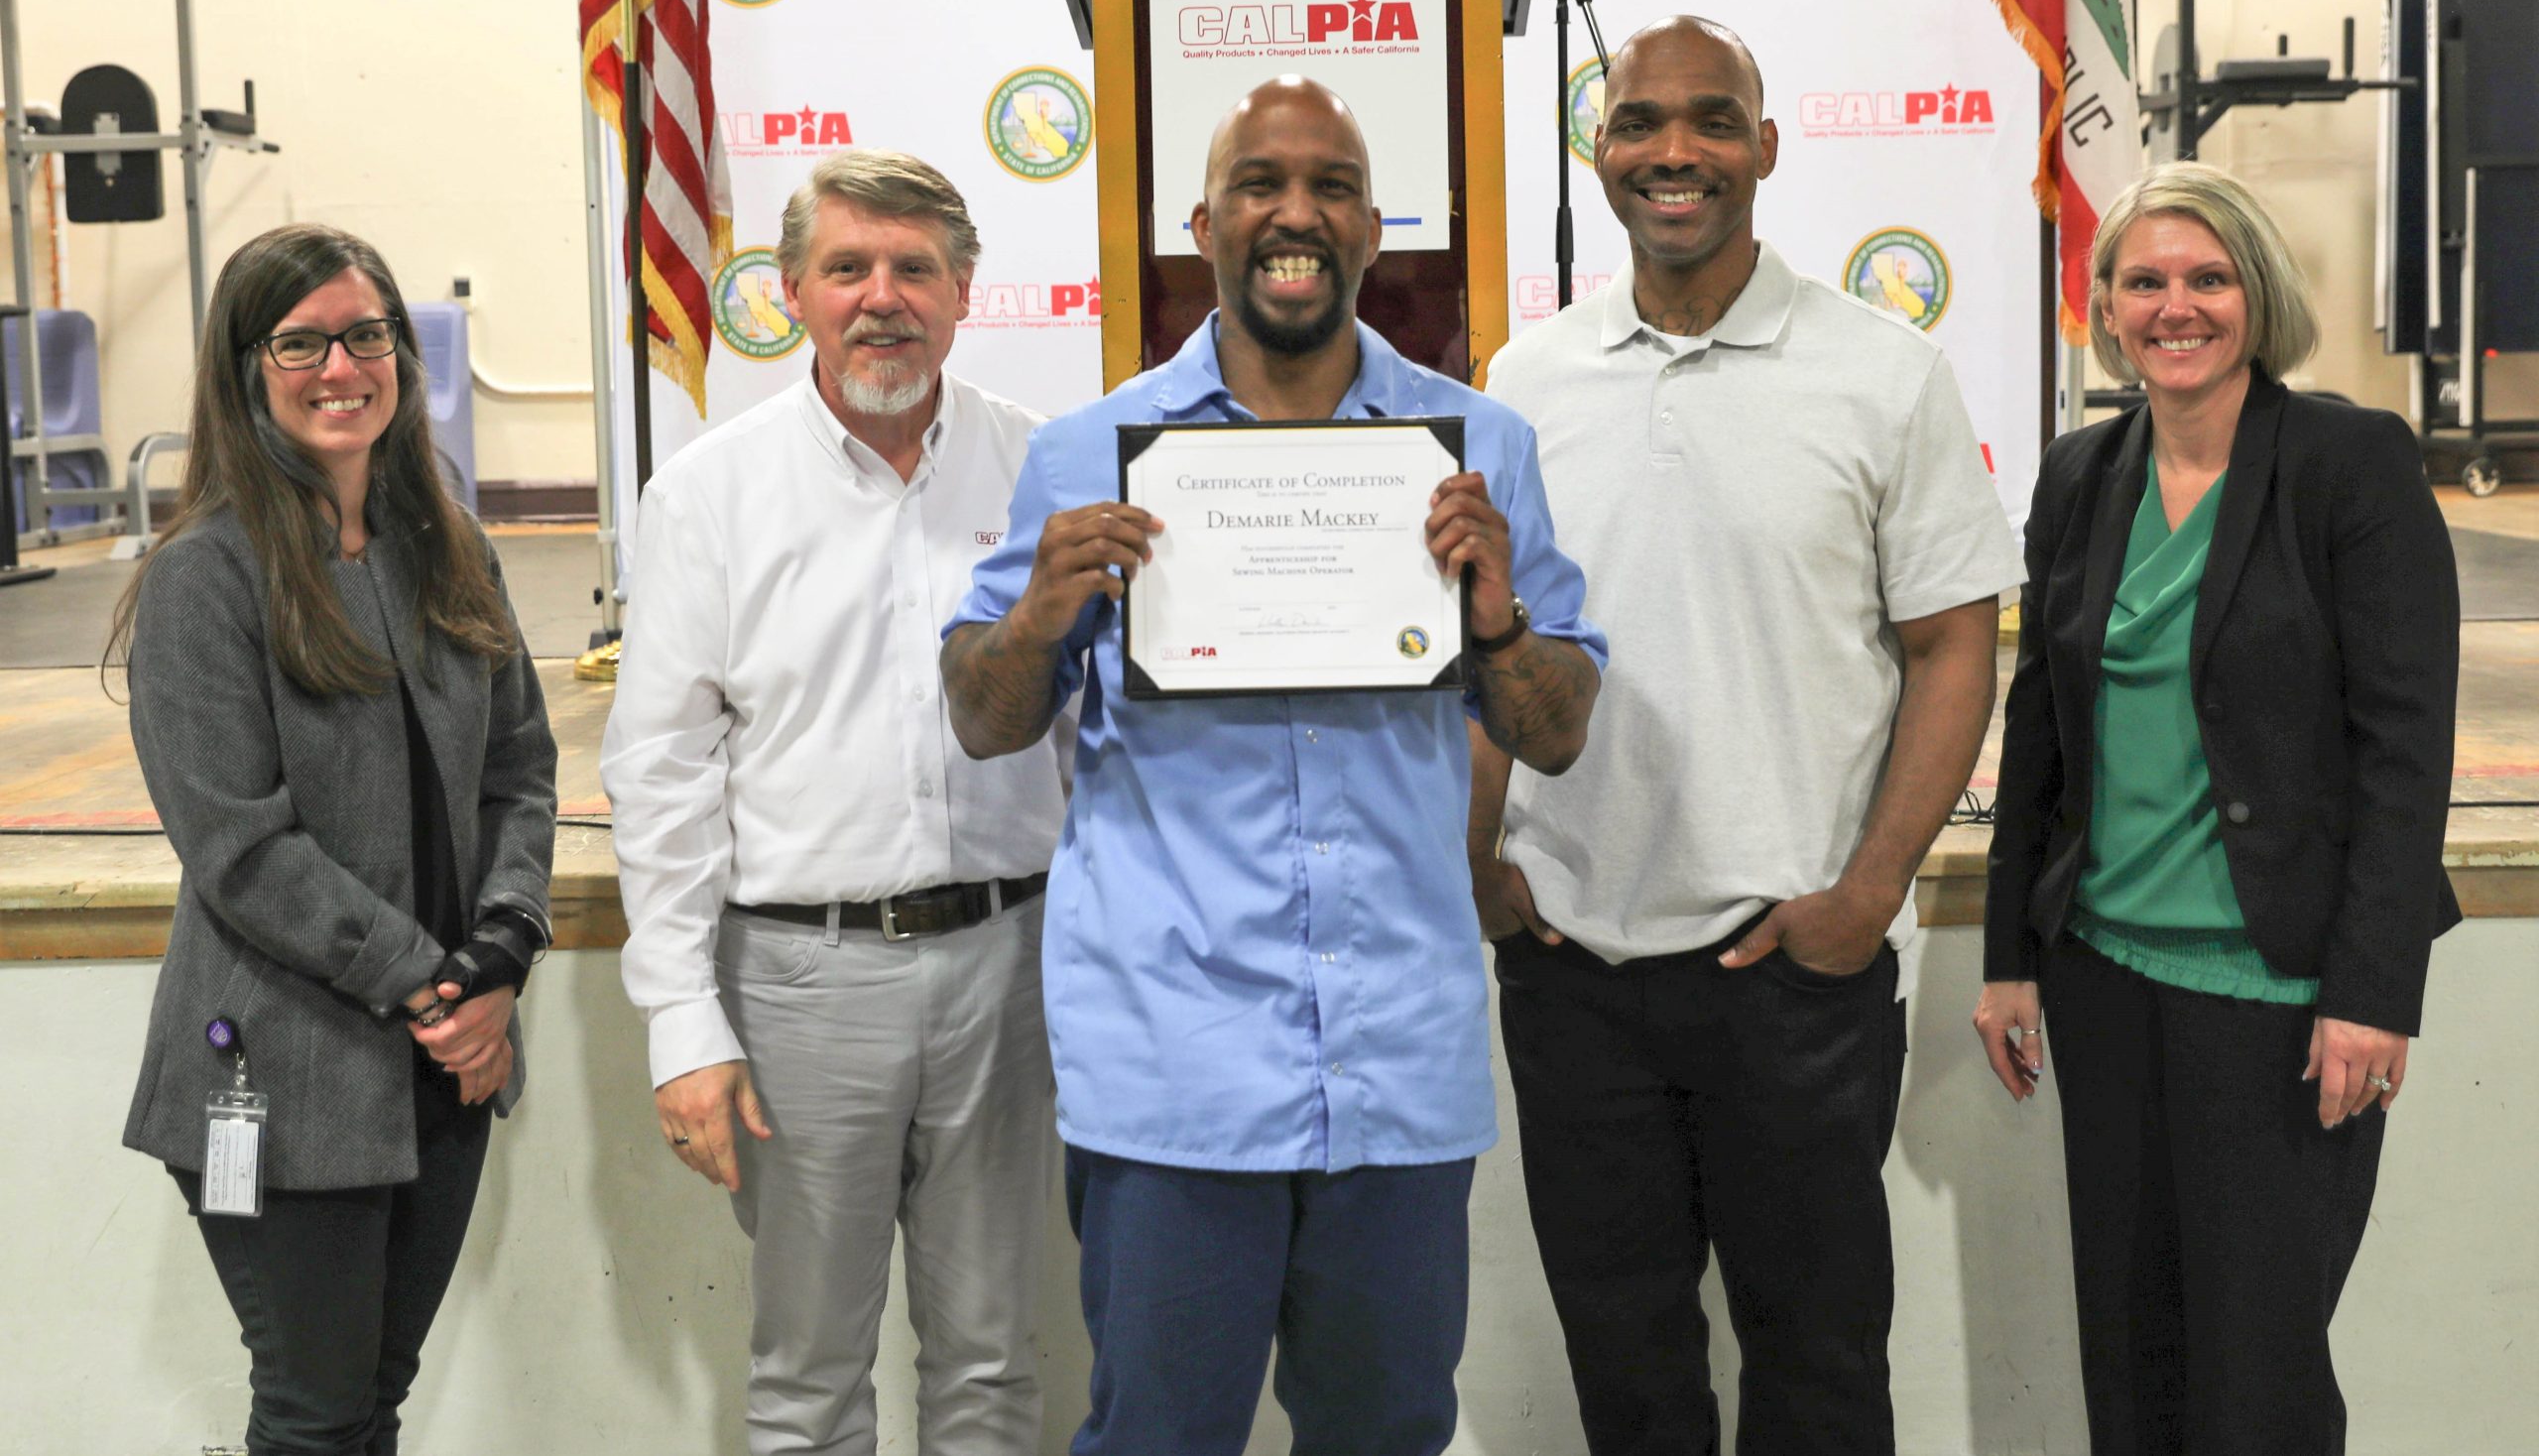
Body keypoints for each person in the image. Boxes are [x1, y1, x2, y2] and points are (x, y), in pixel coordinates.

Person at [941, 75, 1606, 1456]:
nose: (1293, 212)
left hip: (1394, 1070)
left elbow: (1557, 724)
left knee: (1387, 1434)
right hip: (1175, 1069)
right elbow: (986, 716)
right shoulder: (1089, 455)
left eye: (1331, 187)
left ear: (1374, 228)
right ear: (1204, 222)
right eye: (1259, 183)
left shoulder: (1476, 450)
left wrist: (1496, 620)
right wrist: (1039, 609)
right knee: (1158, 1436)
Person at [1472, 15, 2022, 1455]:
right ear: (1601, 153)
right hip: (1575, 963)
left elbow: (1954, 641)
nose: (1675, 153)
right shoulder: (1521, 383)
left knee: (1820, 1365)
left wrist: (1870, 891)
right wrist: (1480, 861)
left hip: (1799, 967)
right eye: (1640, 123)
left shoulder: (1882, 370)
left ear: (1765, 148)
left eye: (1712, 122)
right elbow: (1485, 640)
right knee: (1627, 1362)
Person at [1976, 161, 2461, 1453]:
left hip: (2285, 998)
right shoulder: (2083, 472)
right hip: (2105, 977)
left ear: (2258, 294)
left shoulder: (2349, 464)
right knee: (2130, 1359)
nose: (2174, 305)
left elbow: (2406, 751)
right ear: (2108, 304)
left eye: (2206, 277)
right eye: (2145, 280)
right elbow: (2041, 727)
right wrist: (2008, 959)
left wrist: (2373, 991)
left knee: (2261, 1380)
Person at [604, 148, 1066, 1456]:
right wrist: (682, 1023)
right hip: (801, 985)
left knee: (989, 1365)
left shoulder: (1042, 469)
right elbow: (663, 774)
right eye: (848, 267)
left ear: (964, 290)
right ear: (794, 292)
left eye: (914, 268)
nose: (883, 297)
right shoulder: (709, 492)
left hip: (1010, 966)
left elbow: (1093, 736)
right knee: (807, 1380)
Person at [113, 222, 558, 1456]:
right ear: (245, 368)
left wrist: (506, 945)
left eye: (364, 335)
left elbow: (519, 766)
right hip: (283, 1069)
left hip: (445, 1059)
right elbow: (242, 848)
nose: (338, 366)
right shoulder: (206, 576)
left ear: (401, 357)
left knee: (371, 1408)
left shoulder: (448, 549)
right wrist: (439, 983)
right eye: (299, 342)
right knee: (314, 1419)